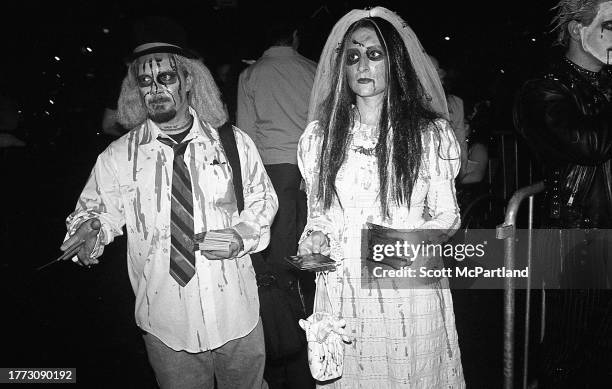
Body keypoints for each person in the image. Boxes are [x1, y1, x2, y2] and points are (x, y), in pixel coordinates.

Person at [60, 16, 277, 389]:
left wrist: (242, 235)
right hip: (166, 324)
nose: (155, 89)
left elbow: (263, 198)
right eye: (145, 81)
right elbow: (96, 213)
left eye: (166, 77)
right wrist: (89, 230)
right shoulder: (118, 157)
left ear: (189, 80)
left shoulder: (233, 143)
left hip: (237, 317)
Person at [297, 7, 465, 388]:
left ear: (396, 63)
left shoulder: (429, 135)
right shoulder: (320, 138)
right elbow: (320, 211)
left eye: (374, 55)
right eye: (353, 56)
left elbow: (448, 216)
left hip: (406, 279)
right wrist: (316, 236)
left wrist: (396, 245)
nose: (362, 65)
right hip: (344, 284)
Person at [514, 0, 612, 386]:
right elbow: (589, 145)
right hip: (579, 236)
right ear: (576, 29)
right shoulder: (544, 88)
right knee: (569, 349)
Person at [236, 16, 317, 389]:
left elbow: (245, 133)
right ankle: (311, 325)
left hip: (269, 170)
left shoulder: (251, 76)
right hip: (307, 169)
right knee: (310, 254)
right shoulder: (312, 69)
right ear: (295, 35)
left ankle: (283, 332)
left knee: (276, 258)